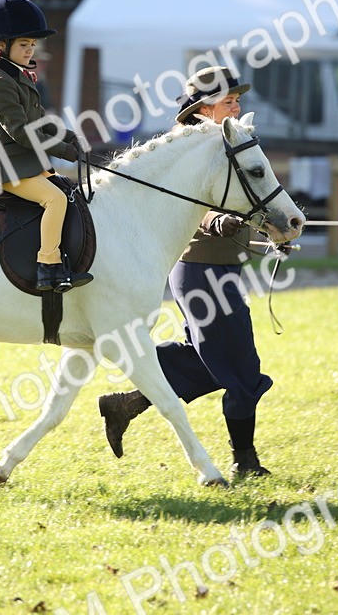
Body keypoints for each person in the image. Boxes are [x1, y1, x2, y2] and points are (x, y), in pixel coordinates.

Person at [97, 66, 273, 480]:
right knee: (241, 367)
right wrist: (216, 223)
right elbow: (181, 207)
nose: (237, 106)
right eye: (229, 101)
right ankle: (245, 462)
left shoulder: (224, 147)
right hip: (200, 270)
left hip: (217, 268)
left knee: (205, 359)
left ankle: (127, 402)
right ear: (204, 110)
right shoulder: (186, 152)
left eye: (236, 99)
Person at [0, 0, 92, 293]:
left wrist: (70, 136)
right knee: (55, 199)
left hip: (27, 162)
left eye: (32, 45)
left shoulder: (20, 78)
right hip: (9, 165)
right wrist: (63, 151)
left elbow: (40, 121)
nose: (30, 50)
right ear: (2, 46)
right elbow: (21, 131)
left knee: (67, 192)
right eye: (24, 45)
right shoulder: (0, 83)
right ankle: (47, 265)